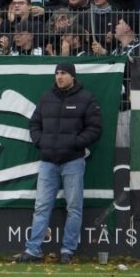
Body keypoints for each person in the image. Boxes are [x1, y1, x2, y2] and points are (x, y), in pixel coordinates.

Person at [14, 62, 102, 265]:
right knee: (42, 206)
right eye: (57, 73)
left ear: (72, 76)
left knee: (74, 207)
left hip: (73, 161)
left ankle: (68, 251)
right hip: (47, 161)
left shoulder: (86, 98)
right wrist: (41, 141)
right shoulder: (46, 97)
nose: (59, 77)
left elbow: (95, 129)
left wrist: (74, 143)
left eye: (63, 73)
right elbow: (34, 124)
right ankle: (33, 250)